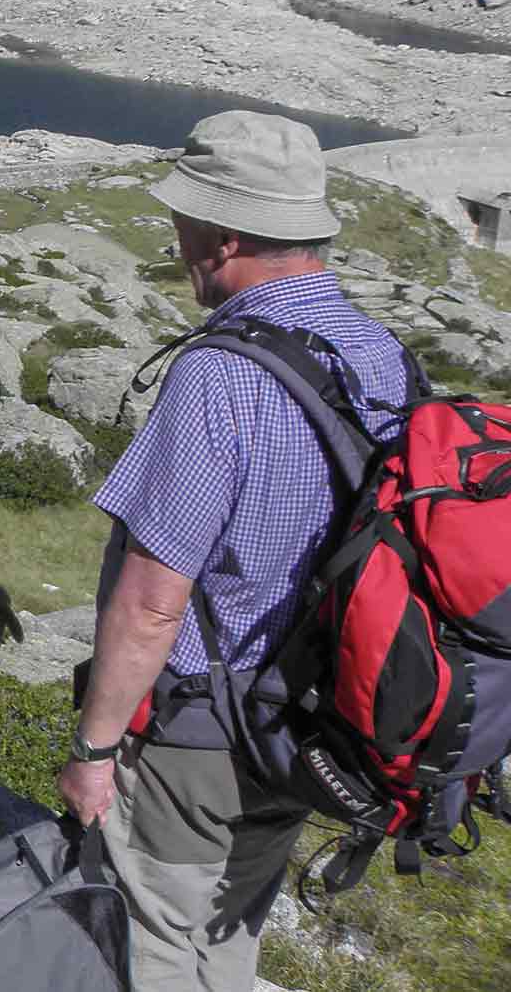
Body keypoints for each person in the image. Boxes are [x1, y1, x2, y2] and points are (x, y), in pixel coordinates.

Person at [57, 111, 415, 992]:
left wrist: (94, 750)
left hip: (198, 735)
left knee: (155, 938)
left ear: (223, 237)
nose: (177, 243)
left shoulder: (218, 374)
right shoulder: (383, 357)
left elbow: (153, 601)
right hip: (315, 720)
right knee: (231, 929)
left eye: (183, 223)